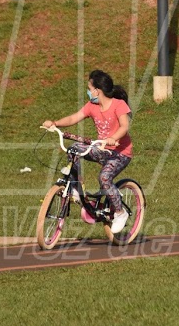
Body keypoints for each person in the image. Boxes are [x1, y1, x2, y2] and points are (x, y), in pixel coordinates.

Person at [42, 69, 133, 233]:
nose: (89, 92)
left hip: (119, 153)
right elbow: (73, 118)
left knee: (104, 178)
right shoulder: (92, 106)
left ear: (97, 90)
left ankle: (120, 213)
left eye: (90, 89)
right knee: (74, 148)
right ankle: (76, 185)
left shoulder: (119, 105)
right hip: (100, 149)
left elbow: (124, 126)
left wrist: (113, 138)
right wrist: (55, 123)